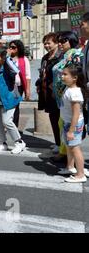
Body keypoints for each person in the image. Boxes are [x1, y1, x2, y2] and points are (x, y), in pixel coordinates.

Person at [0, 46, 26, 154]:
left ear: (3, 58)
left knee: (7, 121)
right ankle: (2, 143)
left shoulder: (8, 67)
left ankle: (19, 142)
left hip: (9, 99)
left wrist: (6, 58)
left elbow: (17, 71)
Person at [52, 31, 83, 163]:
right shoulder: (64, 54)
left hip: (71, 96)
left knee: (68, 124)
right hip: (62, 96)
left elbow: (74, 74)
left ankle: (67, 155)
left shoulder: (75, 54)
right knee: (62, 123)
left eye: (63, 41)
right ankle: (65, 153)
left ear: (71, 41)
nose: (60, 44)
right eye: (59, 41)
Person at [58, 65, 88, 183]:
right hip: (68, 122)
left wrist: (71, 130)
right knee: (69, 147)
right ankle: (70, 167)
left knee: (75, 148)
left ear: (74, 78)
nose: (62, 76)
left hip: (73, 124)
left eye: (65, 75)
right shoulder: (69, 88)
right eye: (62, 74)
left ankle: (80, 174)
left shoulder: (74, 92)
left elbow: (76, 114)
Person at [37, 33, 63, 153]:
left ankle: (62, 145)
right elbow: (42, 73)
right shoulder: (45, 58)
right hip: (47, 92)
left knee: (60, 119)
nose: (46, 45)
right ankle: (57, 142)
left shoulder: (61, 57)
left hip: (58, 93)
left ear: (57, 43)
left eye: (49, 43)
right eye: (45, 43)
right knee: (53, 117)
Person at [9, 40, 31, 131]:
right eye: (10, 47)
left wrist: (28, 90)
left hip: (18, 86)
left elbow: (27, 75)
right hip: (8, 85)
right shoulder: (7, 59)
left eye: (13, 47)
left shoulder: (24, 59)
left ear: (19, 48)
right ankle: (8, 125)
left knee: (16, 106)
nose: (11, 49)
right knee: (7, 106)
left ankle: (14, 126)